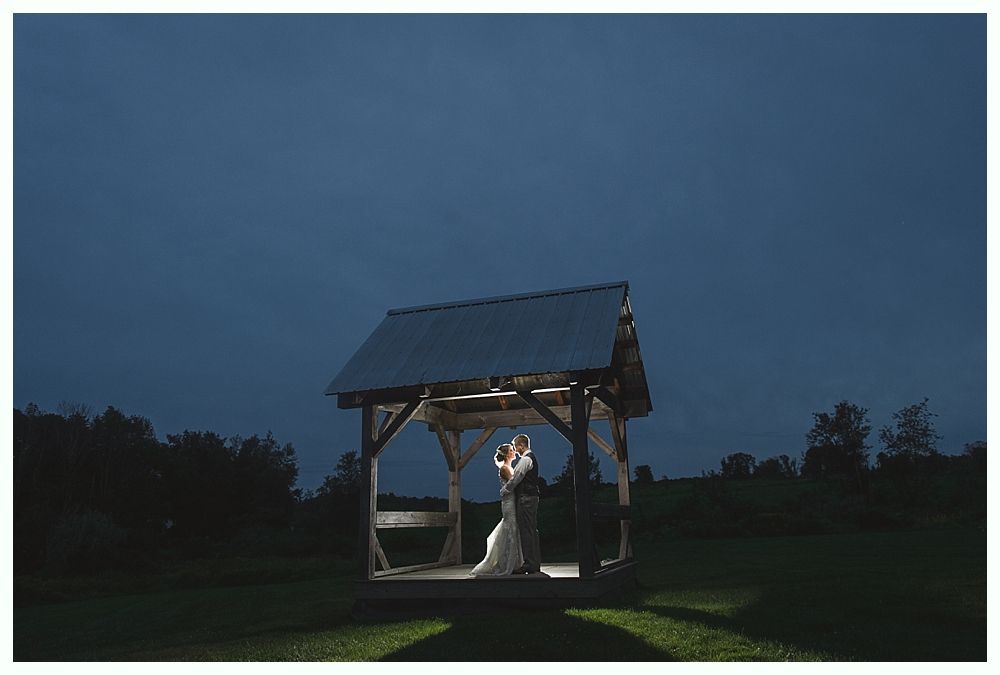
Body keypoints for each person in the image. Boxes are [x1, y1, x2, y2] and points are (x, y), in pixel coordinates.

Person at [469, 444, 524, 576]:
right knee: (510, 528)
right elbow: (514, 483)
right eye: (511, 450)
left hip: (511, 501)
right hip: (509, 503)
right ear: (506, 454)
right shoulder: (505, 468)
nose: (514, 452)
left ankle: (516, 562)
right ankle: (507, 563)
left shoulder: (508, 467)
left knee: (513, 529)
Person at [500, 433, 541, 574]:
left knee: (527, 531)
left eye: (516, 447)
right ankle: (534, 563)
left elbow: (516, 478)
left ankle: (530, 564)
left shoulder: (525, 460)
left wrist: (505, 490)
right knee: (531, 530)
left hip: (526, 498)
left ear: (522, 445)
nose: (516, 450)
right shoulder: (530, 458)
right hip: (531, 497)